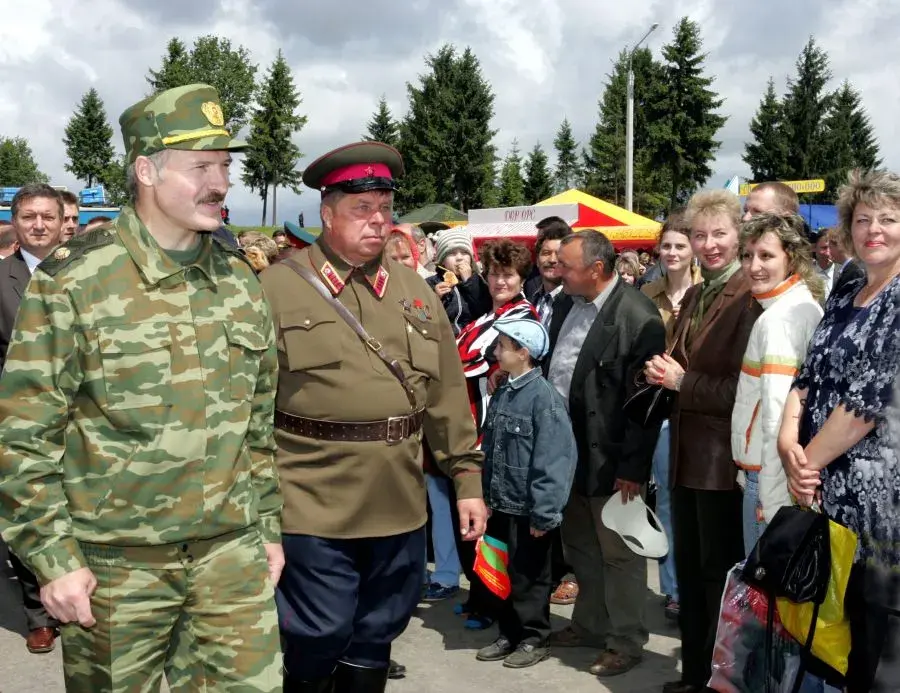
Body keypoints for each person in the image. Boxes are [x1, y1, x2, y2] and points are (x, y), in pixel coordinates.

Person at [0, 84, 284, 692]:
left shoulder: (238, 281)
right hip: (116, 570)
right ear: (146, 169)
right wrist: (54, 560)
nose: (220, 183)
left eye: (225, 166)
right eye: (201, 166)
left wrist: (267, 529)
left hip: (230, 561)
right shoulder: (76, 281)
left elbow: (258, 425)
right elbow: (24, 436)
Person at [260, 141, 487, 692]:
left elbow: (447, 396)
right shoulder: (276, 289)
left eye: (385, 207)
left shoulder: (416, 292)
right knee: (319, 629)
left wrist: (467, 480)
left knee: (377, 630)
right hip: (312, 499)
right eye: (362, 209)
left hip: (397, 498)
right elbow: (248, 408)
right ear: (327, 212)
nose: (377, 221)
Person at [780, 169, 900, 692]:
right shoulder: (849, 281)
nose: (874, 230)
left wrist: (804, 462)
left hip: (882, 509)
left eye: (889, 219)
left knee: (880, 648)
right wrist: (788, 440)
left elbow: (870, 400)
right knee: (832, 635)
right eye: (864, 219)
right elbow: (810, 372)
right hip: (828, 491)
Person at [645, 189, 762, 693]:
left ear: (739, 236)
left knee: (717, 581)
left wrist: (681, 383)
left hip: (722, 464)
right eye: (700, 234)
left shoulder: (749, 295)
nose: (709, 244)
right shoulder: (695, 293)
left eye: (719, 234)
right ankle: (694, 675)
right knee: (691, 577)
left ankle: (718, 681)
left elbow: (745, 388)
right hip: (685, 456)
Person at [546, 230, 666, 678]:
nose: (559, 273)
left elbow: (646, 407)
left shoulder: (639, 317)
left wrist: (633, 468)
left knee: (619, 554)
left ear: (596, 269)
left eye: (568, 266)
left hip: (612, 461)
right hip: (567, 454)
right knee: (580, 546)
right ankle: (590, 623)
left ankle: (627, 640)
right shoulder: (564, 303)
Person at [475, 318, 577, 669]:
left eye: (503, 346)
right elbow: (491, 448)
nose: (496, 351)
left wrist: (544, 513)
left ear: (523, 352)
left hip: (528, 509)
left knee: (531, 577)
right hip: (501, 504)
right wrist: (486, 497)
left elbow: (554, 460)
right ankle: (510, 633)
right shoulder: (504, 392)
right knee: (503, 573)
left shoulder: (544, 400)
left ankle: (534, 638)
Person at [454, 238, 537, 629]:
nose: (499, 281)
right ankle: (478, 594)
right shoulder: (487, 317)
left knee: (490, 523)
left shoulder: (523, 318)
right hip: (473, 426)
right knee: (474, 518)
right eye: (493, 274)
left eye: (507, 274)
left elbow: (470, 362)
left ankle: (490, 603)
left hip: (495, 434)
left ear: (521, 279)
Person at [731, 213, 824, 556]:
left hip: (769, 479)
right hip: (777, 475)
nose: (753, 266)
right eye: (747, 255)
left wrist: (769, 502)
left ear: (792, 257)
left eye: (766, 256)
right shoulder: (800, 307)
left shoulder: (779, 320)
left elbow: (776, 417)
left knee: (763, 601)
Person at [0, 184, 64, 654]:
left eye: (47, 216)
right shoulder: (1, 279)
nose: (38, 224)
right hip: (21, 420)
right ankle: (38, 613)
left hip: (85, 419)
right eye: (28, 217)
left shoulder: (95, 275)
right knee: (28, 512)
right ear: (15, 224)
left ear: (65, 223)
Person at [640, 211, 703, 622]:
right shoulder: (647, 294)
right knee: (664, 503)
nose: (673, 252)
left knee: (698, 506)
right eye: (667, 246)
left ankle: (702, 587)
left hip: (700, 409)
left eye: (681, 245)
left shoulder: (709, 293)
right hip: (659, 410)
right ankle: (674, 589)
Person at [427, 227, 491, 336]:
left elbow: (485, 309)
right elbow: (422, 314)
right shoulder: (432, 283)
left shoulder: (478, 281)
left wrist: (470, 282)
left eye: (464, 253)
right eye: (452, 253)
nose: (459, 258)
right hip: (446, 341)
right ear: (442, 261)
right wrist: (436, 298)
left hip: (472, 339)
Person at [524, 216, 570, 328]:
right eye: (546, 253)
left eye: (559, 254)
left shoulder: (576, 304)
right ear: (537, 260)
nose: (552, 260)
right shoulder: (530, 301)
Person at [828, 224, 866, 294]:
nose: (829, 252)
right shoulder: (849, 269)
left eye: (830, 247)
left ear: (839, 245)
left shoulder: (856, 272)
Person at [813, 230, 835, 298]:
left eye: (831, 248)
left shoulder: (844, 273)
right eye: (824, 248)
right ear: (814, 248)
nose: (828, 253)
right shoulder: (806, 273)